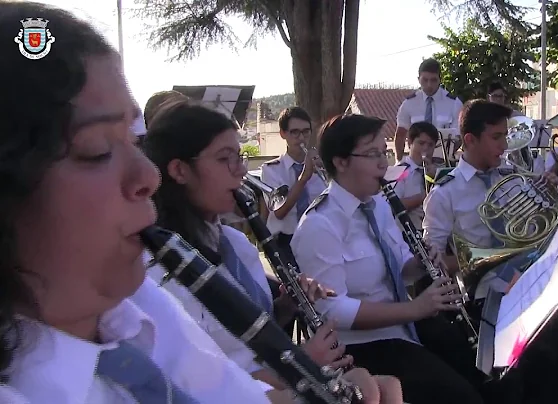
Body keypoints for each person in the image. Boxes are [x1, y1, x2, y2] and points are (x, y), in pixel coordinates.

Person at [0, 2, 390, 403]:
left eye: (134, 141)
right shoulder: (149, 287)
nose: (148, 176)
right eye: (99, 149)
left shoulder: (139, 308)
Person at [143, 101, 404, 398]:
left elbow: (249, 331)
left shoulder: (237, 243)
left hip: (274, 383)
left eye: (239, 157)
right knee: (370, 387)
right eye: (225, 159)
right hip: (247, 393)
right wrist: (304, 360)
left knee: (385, 385)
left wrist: (286, 306)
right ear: (179, 170)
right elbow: (200, 384)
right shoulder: (161, 270)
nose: (241, 170)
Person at [291, 114, 489, 404]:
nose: (384, 164)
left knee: (481, 368)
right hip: (362, 348)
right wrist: (415, 309)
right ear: (341, 161)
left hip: (402, 328)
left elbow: (401, 269)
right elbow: (332, 312)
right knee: (460, 397)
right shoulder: (319, 225)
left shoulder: (379, 206)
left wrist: (422, 263)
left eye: (383, 152)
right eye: (372, 155)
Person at [423, 100, 558, 296]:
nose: (504, 145)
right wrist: (481, 259)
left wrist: (548, 195)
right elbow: (431, 261)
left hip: (533, 278)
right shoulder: (444, 193)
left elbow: (536, 229)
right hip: (484, 295)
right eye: (496, 137)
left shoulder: (513, 176)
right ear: (470, 140)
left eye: (505, 135)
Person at [260, 107, 327, 259]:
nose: (301, 138)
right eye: (294, 132)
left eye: (305, 132)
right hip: (285, 242)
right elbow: (279, 212)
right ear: (283, 134)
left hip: (317, 238)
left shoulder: (319, 165)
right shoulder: (271, 169)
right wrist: (303, 178)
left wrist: (329, 175)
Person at [394, 58, 463, 159]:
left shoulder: (454, 103)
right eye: (425, 80)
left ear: (440, 79)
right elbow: (400, 134)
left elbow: (458, 136)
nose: (429, 85)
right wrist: (399, 161)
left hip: (443, 162)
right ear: (418, 79)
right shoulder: (409, 103)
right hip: (415, 162)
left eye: (433, 80)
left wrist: (445, 157)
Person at [391, 121, 440, 229]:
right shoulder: (401, 171)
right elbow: (393, 206)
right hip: (407, 233)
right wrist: (425, 196)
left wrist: (434, 180)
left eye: (430, 145)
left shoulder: (436, 171)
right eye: (421, 143)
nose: (425, 149)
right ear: (410, 144)